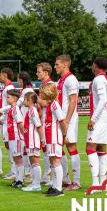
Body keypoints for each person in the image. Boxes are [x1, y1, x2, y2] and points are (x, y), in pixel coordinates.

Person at [54, 55, 81, 191]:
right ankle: (65, 178)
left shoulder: (71, 79)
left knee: (71, 147)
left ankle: (76, 182)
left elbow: (73, 101)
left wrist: (67, 120)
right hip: (61, 119)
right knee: (59, 148)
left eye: (57, 64)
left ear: (65, 65)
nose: (55, 66)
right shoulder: (60, 80)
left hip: (67, 120)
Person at [86, 57, 107, 192]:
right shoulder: (104, 78)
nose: (92, 66)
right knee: (101, 149)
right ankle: (103, 183)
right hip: (105, 117)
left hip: (100, 118)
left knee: (90, 148)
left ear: (95, 65)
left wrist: (93, 119)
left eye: (92, 64)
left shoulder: (98, 79)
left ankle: (96, 184)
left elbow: (103, 100)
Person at [40, 83, 68, 197]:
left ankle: (59, 188)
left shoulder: (55, 105)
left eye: (42, 92)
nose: (40, 94)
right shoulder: (49, 105)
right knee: (52, 161)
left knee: (56, 161)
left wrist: (64, 135)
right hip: (49, 137)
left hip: (54, 137)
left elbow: (62, 120)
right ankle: (54, 186)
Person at [0, 89, 24, 188]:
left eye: (8, 97)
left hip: (16, 137)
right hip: (12, 137)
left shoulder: (16, 109)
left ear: (15, 98)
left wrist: (23, 135)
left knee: (18, 159)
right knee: (15, 159)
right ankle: (17, 179)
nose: (7, 98)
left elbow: (20, 123)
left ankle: (20, 181)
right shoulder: (11, 109)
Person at [20, 92, 45, 192]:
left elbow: (38, 126)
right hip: (29, 139)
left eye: (25, 99)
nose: (23, 102)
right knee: (32, 162)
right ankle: (34, 183)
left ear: (29, 100)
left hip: (33, 139)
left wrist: (42, 139)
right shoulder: (30, 110)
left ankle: (37, 184)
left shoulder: (33, 111)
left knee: (35, 162)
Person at [36, 62, 54, 186]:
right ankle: (47, 175)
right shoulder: (43, 85)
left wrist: (35, 99)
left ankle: (52, 177)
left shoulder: (50, 86)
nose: (37, 73)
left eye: (39, 71)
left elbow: (46, 103)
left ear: (46, 73)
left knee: (50, 150)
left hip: (49, 120)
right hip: (43, 119)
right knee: (45, 149)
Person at [0, 68, 16, 180]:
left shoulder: (9, 87)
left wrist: (3, 115)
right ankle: (13, 169)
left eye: (0, 74)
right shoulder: (6, 87)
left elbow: (10, 104)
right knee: (8, 144)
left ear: (4, 75)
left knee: (10, 144)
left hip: (8, 120)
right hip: (5, 120)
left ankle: (14, 170)